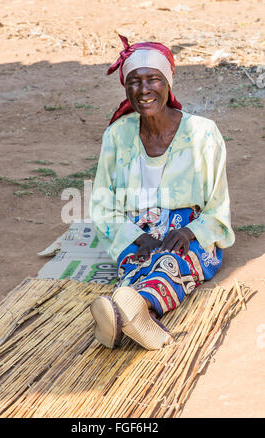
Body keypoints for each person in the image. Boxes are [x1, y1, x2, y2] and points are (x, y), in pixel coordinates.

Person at [89, 35, 235, 351]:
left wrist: (189, 230)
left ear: (168, 83)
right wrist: (135, 236)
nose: (144, 90)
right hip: (139, 227)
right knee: (137, 259)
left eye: (153, 79)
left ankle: (136, 308)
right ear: (125, 88)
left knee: (173, 258)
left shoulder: (203, 133)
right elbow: (102, 204)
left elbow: (217, 208)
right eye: (134, 82)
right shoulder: (117, 135)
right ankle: (137, 316)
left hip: (190, 229)